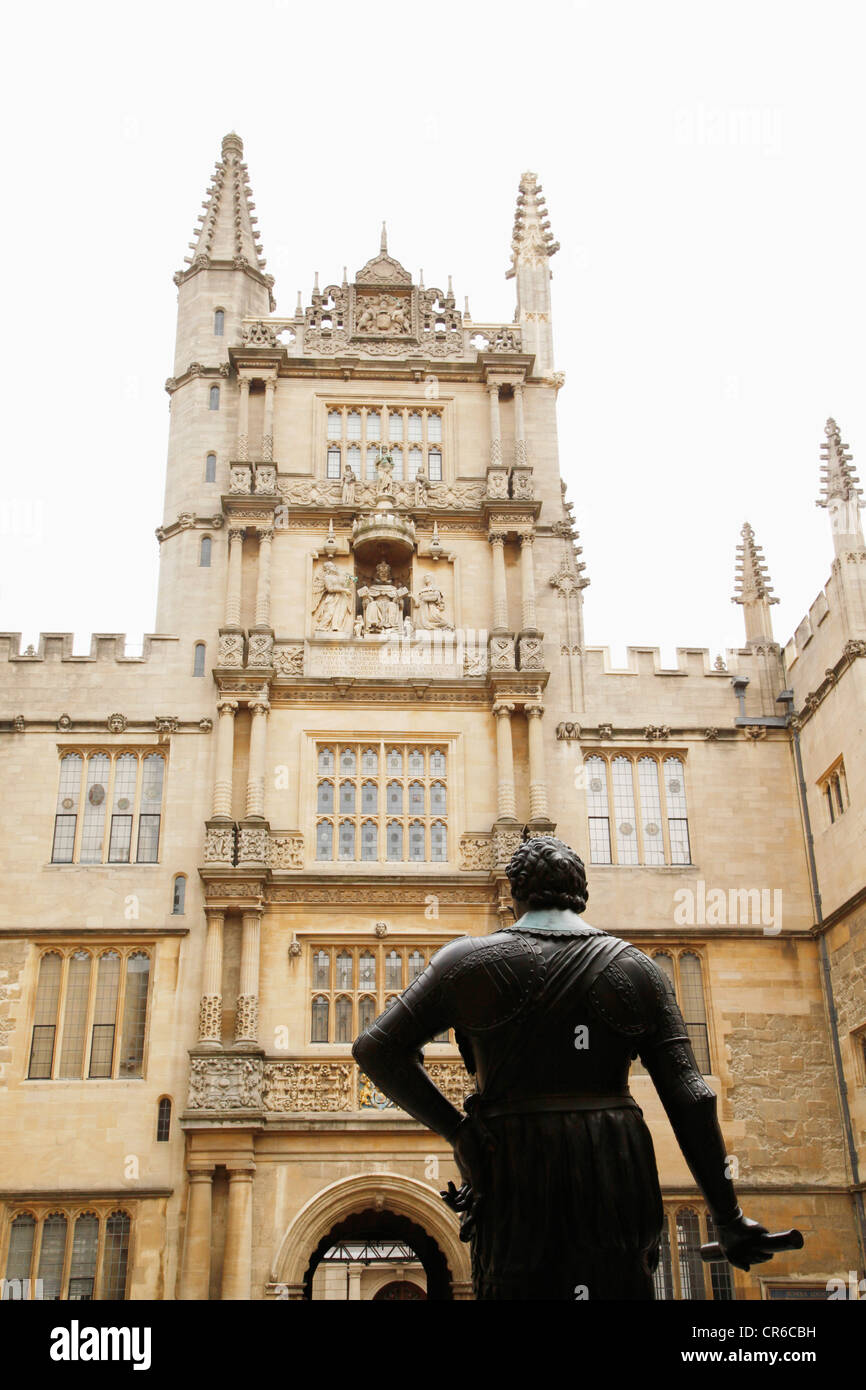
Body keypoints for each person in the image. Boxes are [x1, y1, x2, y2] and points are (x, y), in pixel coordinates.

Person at [353, 834, 775, 1300]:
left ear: (514, 894)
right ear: (582, 892)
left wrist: (458, 1130)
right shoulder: (639, 968)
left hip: (514, 1156)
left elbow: (376, 1049)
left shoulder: (466, 961)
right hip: (613, 1154)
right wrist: (728, 1215)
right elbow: (692, 1095)